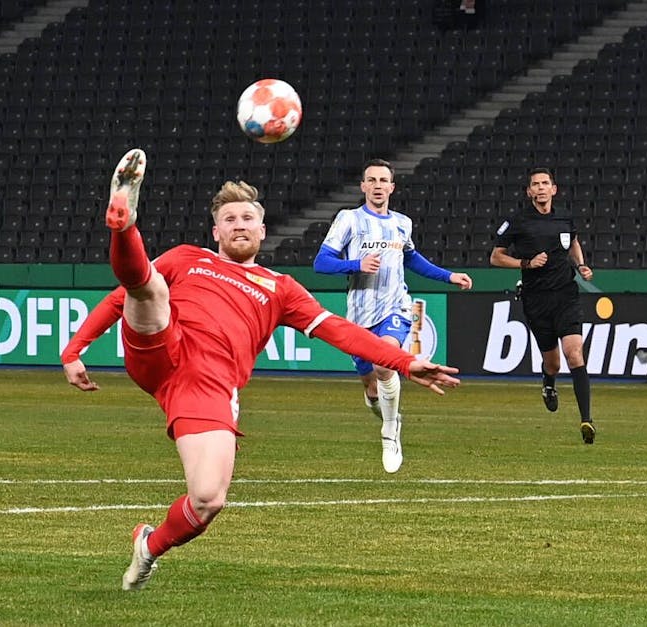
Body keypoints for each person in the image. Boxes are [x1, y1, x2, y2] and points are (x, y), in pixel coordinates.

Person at [77, 149, 461, 591]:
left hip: (207, 386)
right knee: (146, 289)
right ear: (216, 230)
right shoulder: (187, 258)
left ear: (262, 229)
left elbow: (338, 330)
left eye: (247, 218)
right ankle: (123, 223)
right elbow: (121, 294)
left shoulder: (281, 288)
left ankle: (148, 547)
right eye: (230, 218)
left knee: (207, 500)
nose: (239, 224)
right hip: (160, 350)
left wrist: (405, 362)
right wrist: (76, 348)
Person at [313, 159, 473, 473]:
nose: (377, 185)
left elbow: (412, 259)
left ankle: (389, 434)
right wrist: (355, 265)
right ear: (362, 186)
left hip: (396, 307)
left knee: (386, 364)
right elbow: (321, 262)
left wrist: (448, 275)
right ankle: (385, 412)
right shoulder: (349, 219)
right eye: (371, 180)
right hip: (360, 315)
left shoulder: (403, 223)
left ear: (392, 187)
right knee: (373, 388)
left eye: (383, 180)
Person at [490, 167, 598, 444]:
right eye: (535, 184)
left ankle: (587, 420)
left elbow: (573, 242)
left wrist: (581, 265)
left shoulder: (565, 218)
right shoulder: (517, 222)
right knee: (553, 362)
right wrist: (525, 263)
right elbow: (496, 257)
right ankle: (549, 384)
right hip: (536, 299)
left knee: (575, 353)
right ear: (529, 191)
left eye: (545, 183)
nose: (540, 188)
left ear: (554, 189)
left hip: (566, 295)